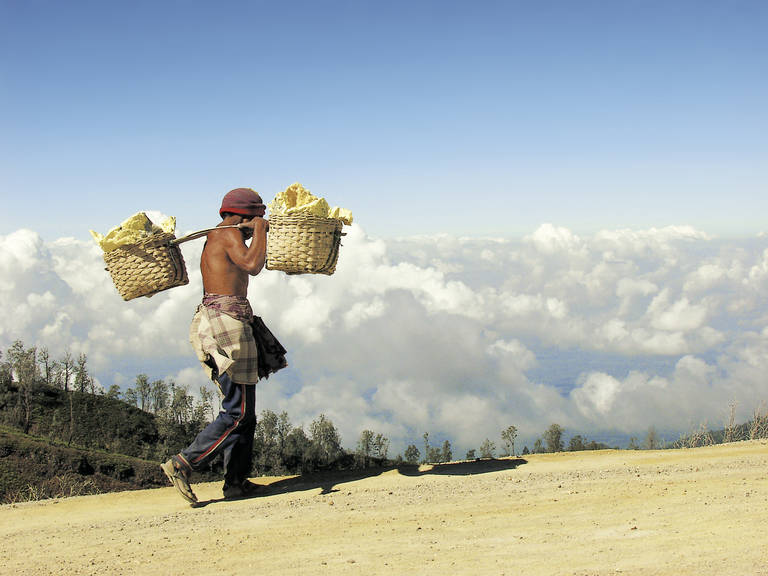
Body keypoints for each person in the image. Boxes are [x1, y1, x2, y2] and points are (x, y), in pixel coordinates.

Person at [161, 187, 287, 506]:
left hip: (230, 321)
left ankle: (236, 483)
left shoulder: (224, 232)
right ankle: (182, 463)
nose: (260, 222)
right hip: (225, 326)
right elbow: (252, 265)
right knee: (237, 411)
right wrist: (259, 231)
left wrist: (254, 228)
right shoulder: (228, 233)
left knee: (247, 413)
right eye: (257, 217)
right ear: (244, 216)